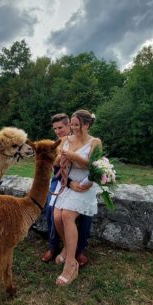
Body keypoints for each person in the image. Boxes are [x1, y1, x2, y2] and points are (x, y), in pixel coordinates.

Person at [54, 109, 102, 286]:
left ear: (86, 125)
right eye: (72, 124)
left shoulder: (95, 142)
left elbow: (95, 166)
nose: (72, 128)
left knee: (66, 215)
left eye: (76, 125)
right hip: (68, 184)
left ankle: (71, 264)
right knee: (57, 217)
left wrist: (74, 157)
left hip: (85, 186)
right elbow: (55, 162)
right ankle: (67, 246)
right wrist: (61, 159)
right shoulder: (65, 140)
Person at [41, 114, 93, 266]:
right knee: (51, 209)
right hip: (60, 181)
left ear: (69, 125)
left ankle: (81, 248)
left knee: (85, 212)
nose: (57, 131)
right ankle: (53, 245)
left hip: (81, 180)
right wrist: (69, 182)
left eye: (60, 128)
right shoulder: (58, 143)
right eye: (55, 129)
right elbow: (55, 167)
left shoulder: (79, 139)